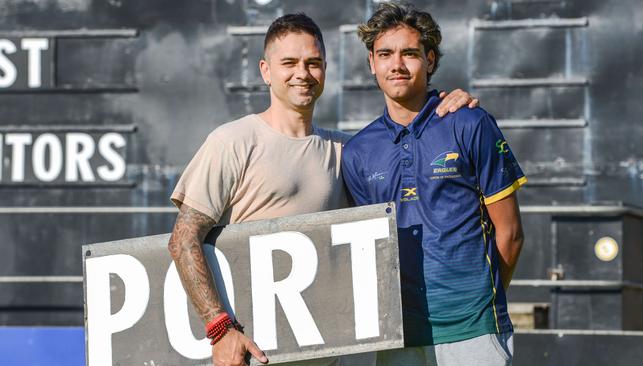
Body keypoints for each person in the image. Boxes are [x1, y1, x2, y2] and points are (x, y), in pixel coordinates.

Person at [167, 12, 478, 366]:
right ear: (266, 71)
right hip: (253, 356)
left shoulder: (347, 151)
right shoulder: (232, 142)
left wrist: (449, 105)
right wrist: (219, 328)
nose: (302, 73)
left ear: (325, 70)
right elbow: (183, 238)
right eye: (289, 63)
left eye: (313, 63)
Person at [342, 3, 526, 366]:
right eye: (385, 54)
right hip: (399, 339)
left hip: (474, 333)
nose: (396, 64)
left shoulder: (470, 123)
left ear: (429, 59)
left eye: (409, 53)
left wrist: (477, 306)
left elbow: (511, 234)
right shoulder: (357, 152)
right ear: (371, 63)